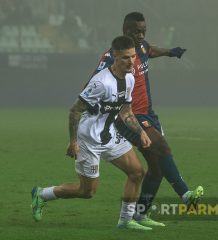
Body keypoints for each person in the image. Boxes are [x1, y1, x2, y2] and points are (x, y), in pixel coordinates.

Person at [31, 36, 153, 230]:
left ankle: (125, 221)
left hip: (109, 135)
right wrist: (73, 142)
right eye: (125, 58)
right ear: (114, 56)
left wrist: (141, 133)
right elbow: (75, 110)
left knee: (137, 173)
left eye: (133, 57)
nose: (131, 62)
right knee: (87, 192)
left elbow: (126, 111)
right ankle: (41, 194)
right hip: (89, 140)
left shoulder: (130, 78)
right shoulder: (100, 83)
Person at [93, 12, 203, 227]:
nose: (141, 35)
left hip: (149, 115)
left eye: (143, 31)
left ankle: (139, 215)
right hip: (128, 116)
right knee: (161, 148)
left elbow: (152, 50)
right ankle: (186, 195)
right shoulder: (111, 57)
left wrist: (172, 52)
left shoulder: (141, 48)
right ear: (126, 31)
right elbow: (95, 81)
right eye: (136, 31)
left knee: (157, 168)